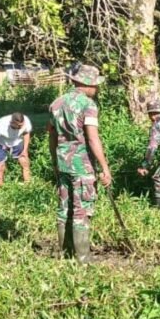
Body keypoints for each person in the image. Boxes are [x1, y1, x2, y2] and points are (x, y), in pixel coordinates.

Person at [48, 63, 112, 262]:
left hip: (63, 163)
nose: (97, 89)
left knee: (64, 207)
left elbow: (51, 136)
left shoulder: (56, 103)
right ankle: (83, 258)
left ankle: (65, 253)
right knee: (81, 210)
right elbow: (92, 138)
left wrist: (55, 162)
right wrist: (105, 167)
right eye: (95, 85)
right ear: (87, 84)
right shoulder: (88, 105)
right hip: (82, 166)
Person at [0, 111, 32, 186]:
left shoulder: (26, 120)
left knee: (24, 161)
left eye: (22, 125)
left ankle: (28, 184)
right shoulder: (1, 123)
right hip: (2, 142)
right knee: (0, 166)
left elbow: (26, 134)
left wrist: (25, 150)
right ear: (11, 122)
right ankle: (0, 187)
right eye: (18, 126)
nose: (20, 127)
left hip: (17, 141)